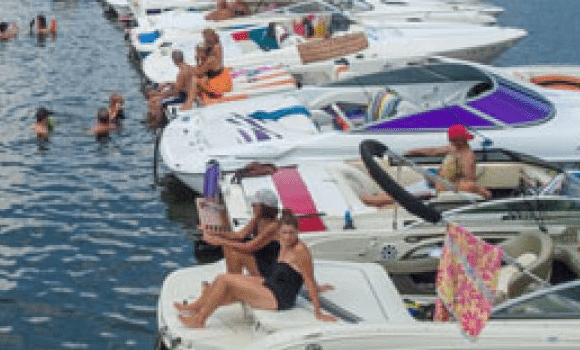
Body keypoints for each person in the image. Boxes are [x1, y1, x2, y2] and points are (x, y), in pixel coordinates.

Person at [175, 211, 335, 327]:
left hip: (280, 298)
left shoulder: (301, 251)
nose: (287, 237)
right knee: (221, 278)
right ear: (279, 233)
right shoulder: (282, 240)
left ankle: (200, 319)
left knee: (226, 280)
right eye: (284, 233)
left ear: (298, 232)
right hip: (271, 284)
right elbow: (240, 237)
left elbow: (308, 277)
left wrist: (318, 311)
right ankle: (195, 307)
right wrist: (212, 233)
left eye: (291, 233)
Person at [361, 124, 492, 206]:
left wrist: (443, 184)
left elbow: (470, 183)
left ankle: (370, 201)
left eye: (452, 139)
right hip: (434, 182)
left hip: (439, 189)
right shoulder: (455, 149)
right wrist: (413, 151)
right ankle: (373, 200)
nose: (449, 141)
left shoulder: (467, 158)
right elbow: (433, 151)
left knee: (400, 195)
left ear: (460, 140)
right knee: (401, 190)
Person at [199, 189, 282, 277]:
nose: (252, 206)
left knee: (235, 251)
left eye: (255, 204)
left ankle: (233, 282)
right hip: (261, 257)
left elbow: (249, 247)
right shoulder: (257, 219)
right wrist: (212, 232)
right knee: (228, 247)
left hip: (269, 267)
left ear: (265, 208)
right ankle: (233, 281)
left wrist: (218, 241)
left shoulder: (274, 226)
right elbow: (239, 235)